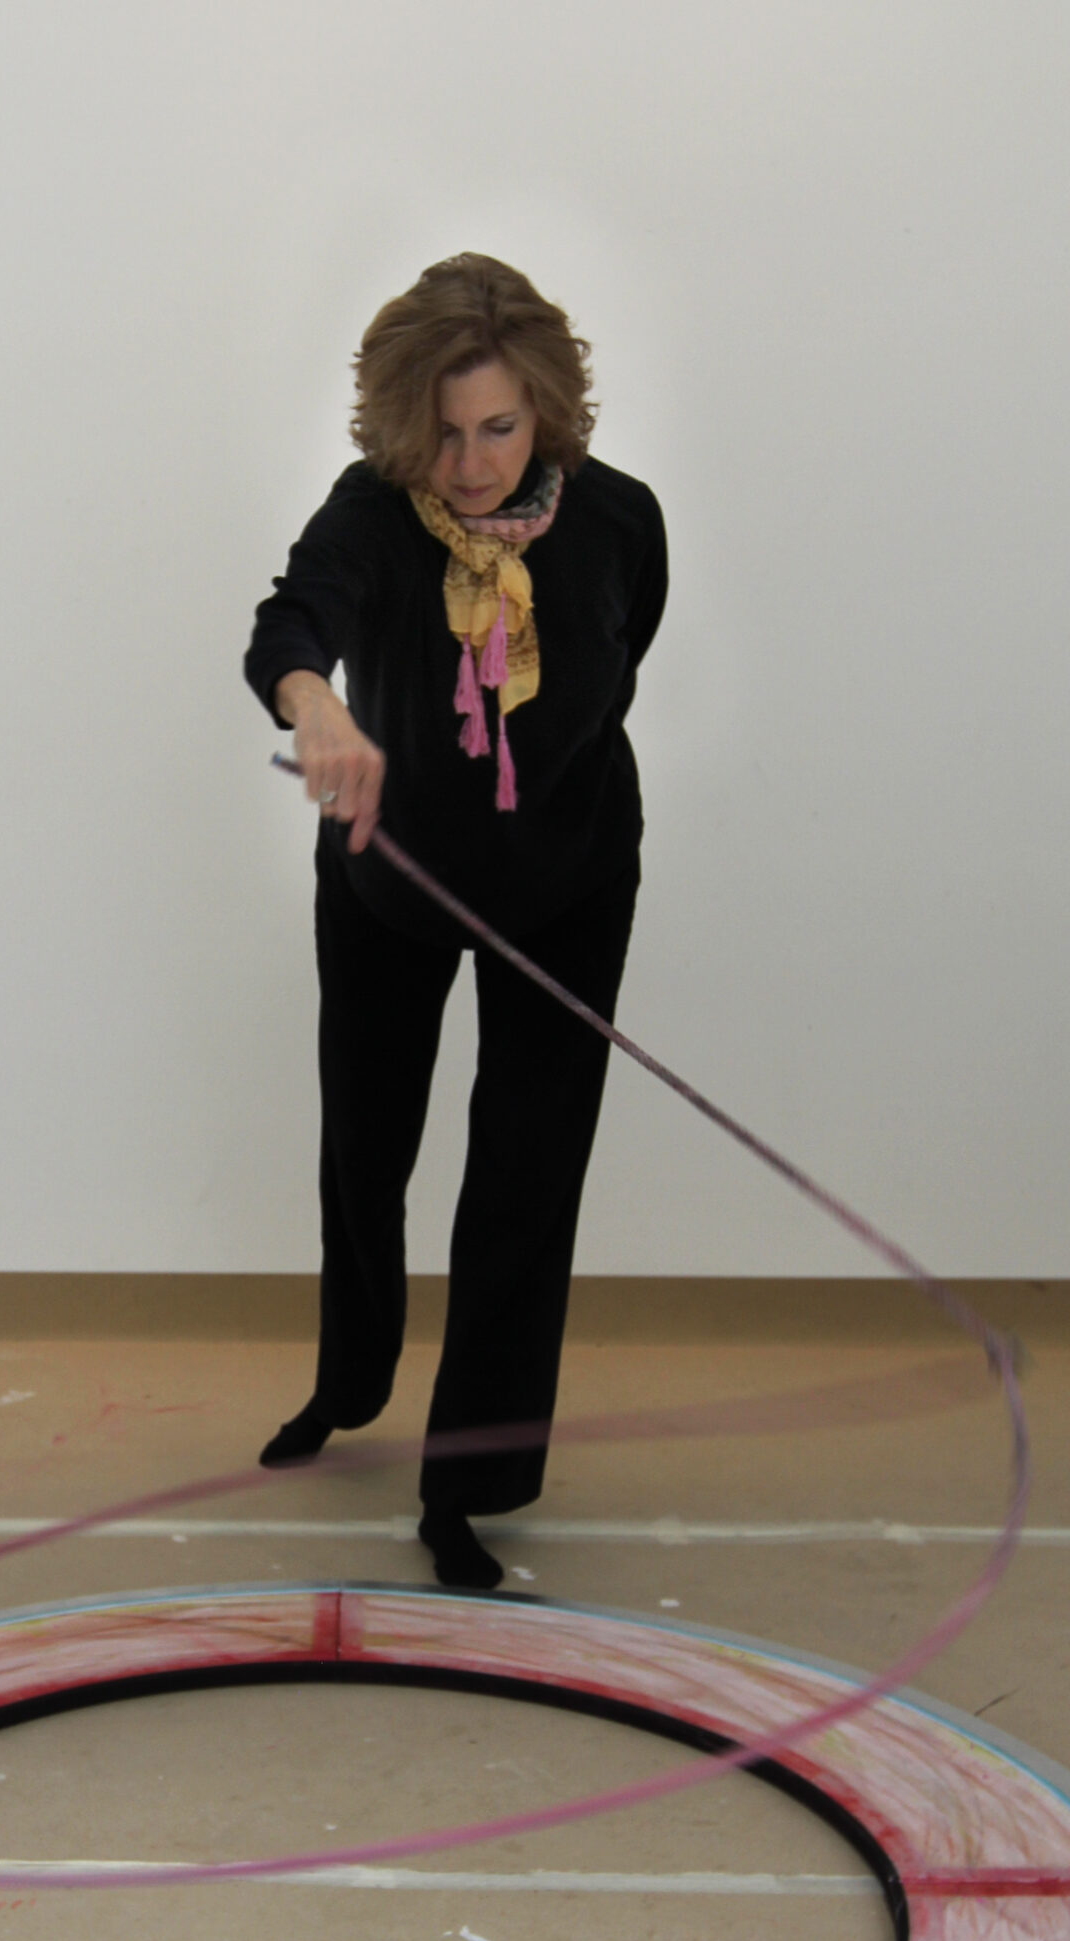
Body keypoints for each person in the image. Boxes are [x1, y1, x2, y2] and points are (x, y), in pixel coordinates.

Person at [244, 253, 667, 1592]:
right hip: (390, 871)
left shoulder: (619, 519)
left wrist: (528, 807)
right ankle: (348, 1383)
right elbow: (291, 622)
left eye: (498, 426)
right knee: (366, 1149)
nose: (470, 462)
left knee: (524, 1179)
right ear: (395, 421)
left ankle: (468, 1484)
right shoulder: (373, 517)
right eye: (441, 430)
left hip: (568, 879)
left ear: (544, 409)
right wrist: (321, 710)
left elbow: (620, 658)